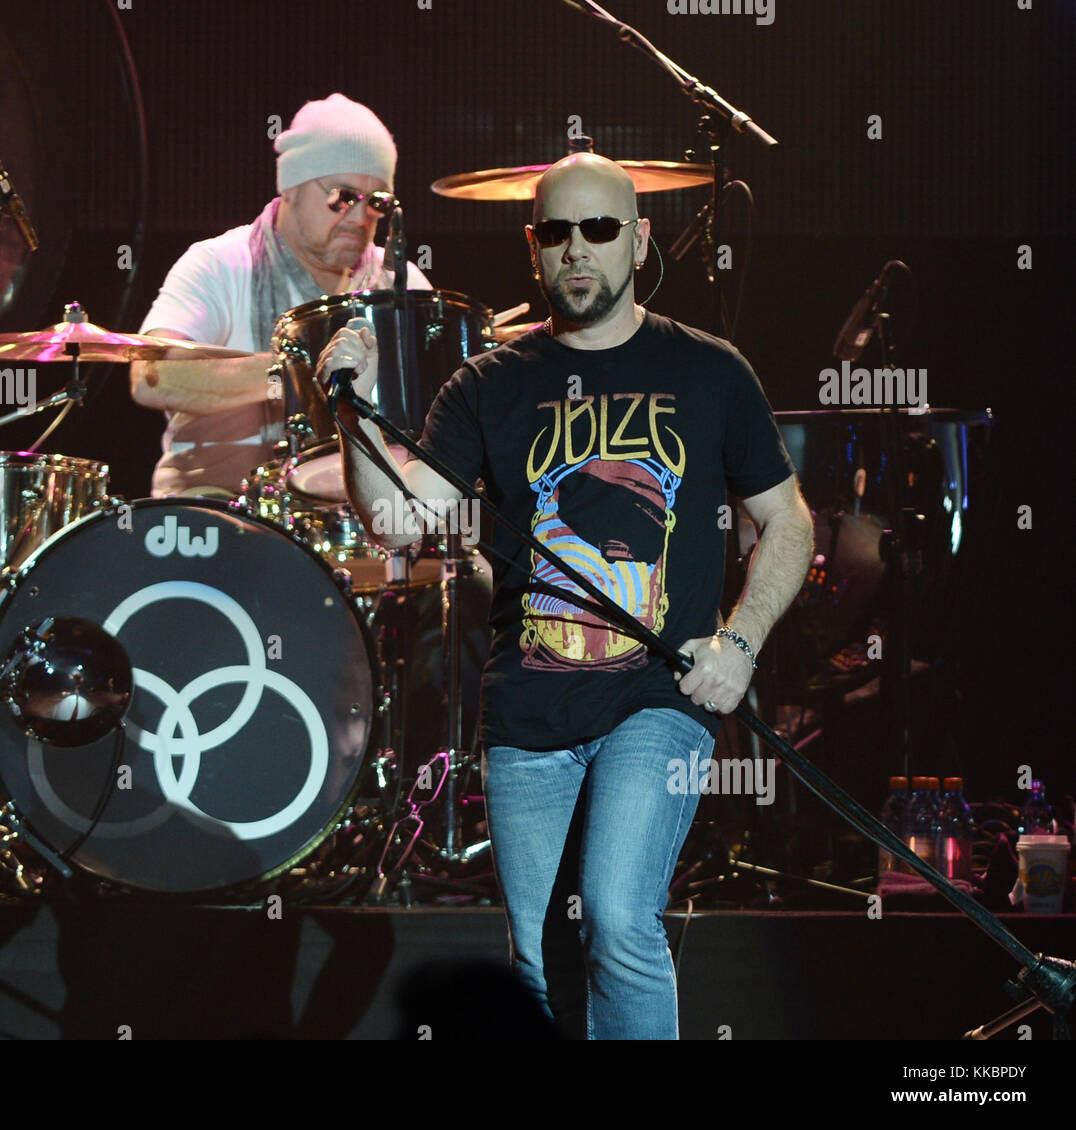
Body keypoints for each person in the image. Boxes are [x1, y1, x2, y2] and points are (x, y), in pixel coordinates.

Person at [319, 153, 814, 1039]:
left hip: (656, 699)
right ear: (533, 248)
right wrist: (349, 411)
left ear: (639, 238)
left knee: (620, 920)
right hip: (528, 711)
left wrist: (739, 644)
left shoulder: (708, 371)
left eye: (599, 229)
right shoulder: (487, 385)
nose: (577, 250)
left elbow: (788, 522)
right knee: (540, 965)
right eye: (557, 233)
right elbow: (398, 521)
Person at [130, 92, 430, 497]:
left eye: (377, 202)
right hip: (215, 517)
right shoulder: (218, 264)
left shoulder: (399, 283)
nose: (360, 218)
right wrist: (295, 372)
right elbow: (152, 378)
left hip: (360, 530)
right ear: (290, 188)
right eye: (343, 197)